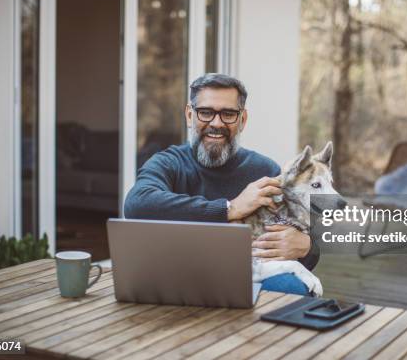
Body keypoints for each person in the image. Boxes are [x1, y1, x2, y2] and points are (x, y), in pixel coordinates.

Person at [124, 73, 320, 295]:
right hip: (178, 275)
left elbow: (298, 234)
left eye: (228, 114)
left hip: (245, 277)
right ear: (190, 115)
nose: (216, 123)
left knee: (291, 287)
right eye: (205, 112)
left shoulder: (266, 171)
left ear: (242, 120)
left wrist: (307, 246)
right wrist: (230, 208)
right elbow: (136, 204)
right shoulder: (168, 163)